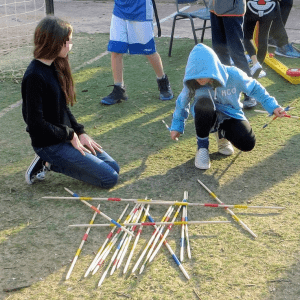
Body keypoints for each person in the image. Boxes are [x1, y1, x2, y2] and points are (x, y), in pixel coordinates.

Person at [22, 16, 120, 188]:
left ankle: (52, 161)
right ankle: (49, 162)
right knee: (109, 178)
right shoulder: (34, 77)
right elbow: (35, 123)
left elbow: (62, 108)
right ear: (54, 43)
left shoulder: (54, 65)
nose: (70, 45)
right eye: (68, 41)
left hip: (63, 136)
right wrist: (69, 135)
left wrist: (80, 133)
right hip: (48, 144)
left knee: (114, 167)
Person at [170, 44, 286, 170]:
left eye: (202, 74)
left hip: (230, 115)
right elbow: (182, 103)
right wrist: (177, 125)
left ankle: (222, 136)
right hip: (206, 115)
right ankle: (202, 147)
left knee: (247, 143)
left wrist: (273, 106)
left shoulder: (233, 74)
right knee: (204, 104)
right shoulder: (192, 82)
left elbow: (255, 88)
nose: (198, 79)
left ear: (211, 68)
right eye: (195, 75)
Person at [100, 0, 173, 105]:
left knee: (149, 51)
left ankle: (163, 82)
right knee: (116, 50)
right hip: (120, 8)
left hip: (141, 8)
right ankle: (118, 89)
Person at [208, 0, 257, 109]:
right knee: (219, 50)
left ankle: (250, 92)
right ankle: (224, 91)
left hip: (233, 9)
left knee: (236, 51)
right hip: (215, 8)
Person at [243, 0, 280, 78]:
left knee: (247, 37)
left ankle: (255, 63)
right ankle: (259, 65)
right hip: (269, 7)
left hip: (251, 7)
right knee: (263, 37)